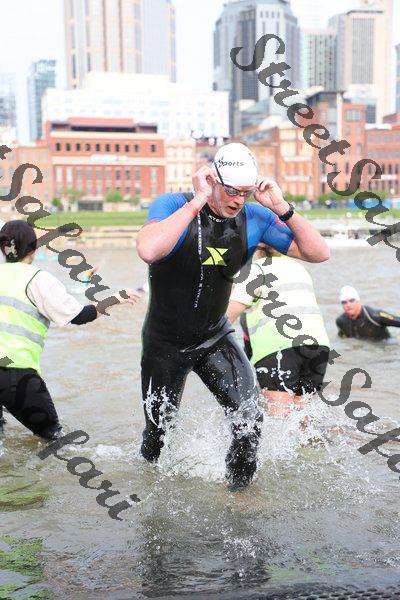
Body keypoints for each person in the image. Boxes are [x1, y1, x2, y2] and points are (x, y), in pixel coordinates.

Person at [136, 142, 329, 490]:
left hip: (214, 337)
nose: (239, 200)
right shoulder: (172, 204)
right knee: (158, 433)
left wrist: (282, 208)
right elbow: (149, 250)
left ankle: (237, 494)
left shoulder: (255, 218)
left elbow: (319, 253)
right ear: (212, 180)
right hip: (164, 343)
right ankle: (148, 488)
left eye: (246, 192)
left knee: (250, 419)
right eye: (231, 191)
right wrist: (198, 200)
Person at [0, 220, 139, 440]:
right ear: (34, 249)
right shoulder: (38, 279)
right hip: (15, 373)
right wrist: (115, 299)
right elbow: (79, 316)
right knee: (54, 439)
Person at [227, 244, 330, 417]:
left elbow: (229, 315)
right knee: (304, 420)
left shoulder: (255, 270)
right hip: (318, 346)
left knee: (278, 419)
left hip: (278, 348)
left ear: (257, 250)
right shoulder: (298, 268)